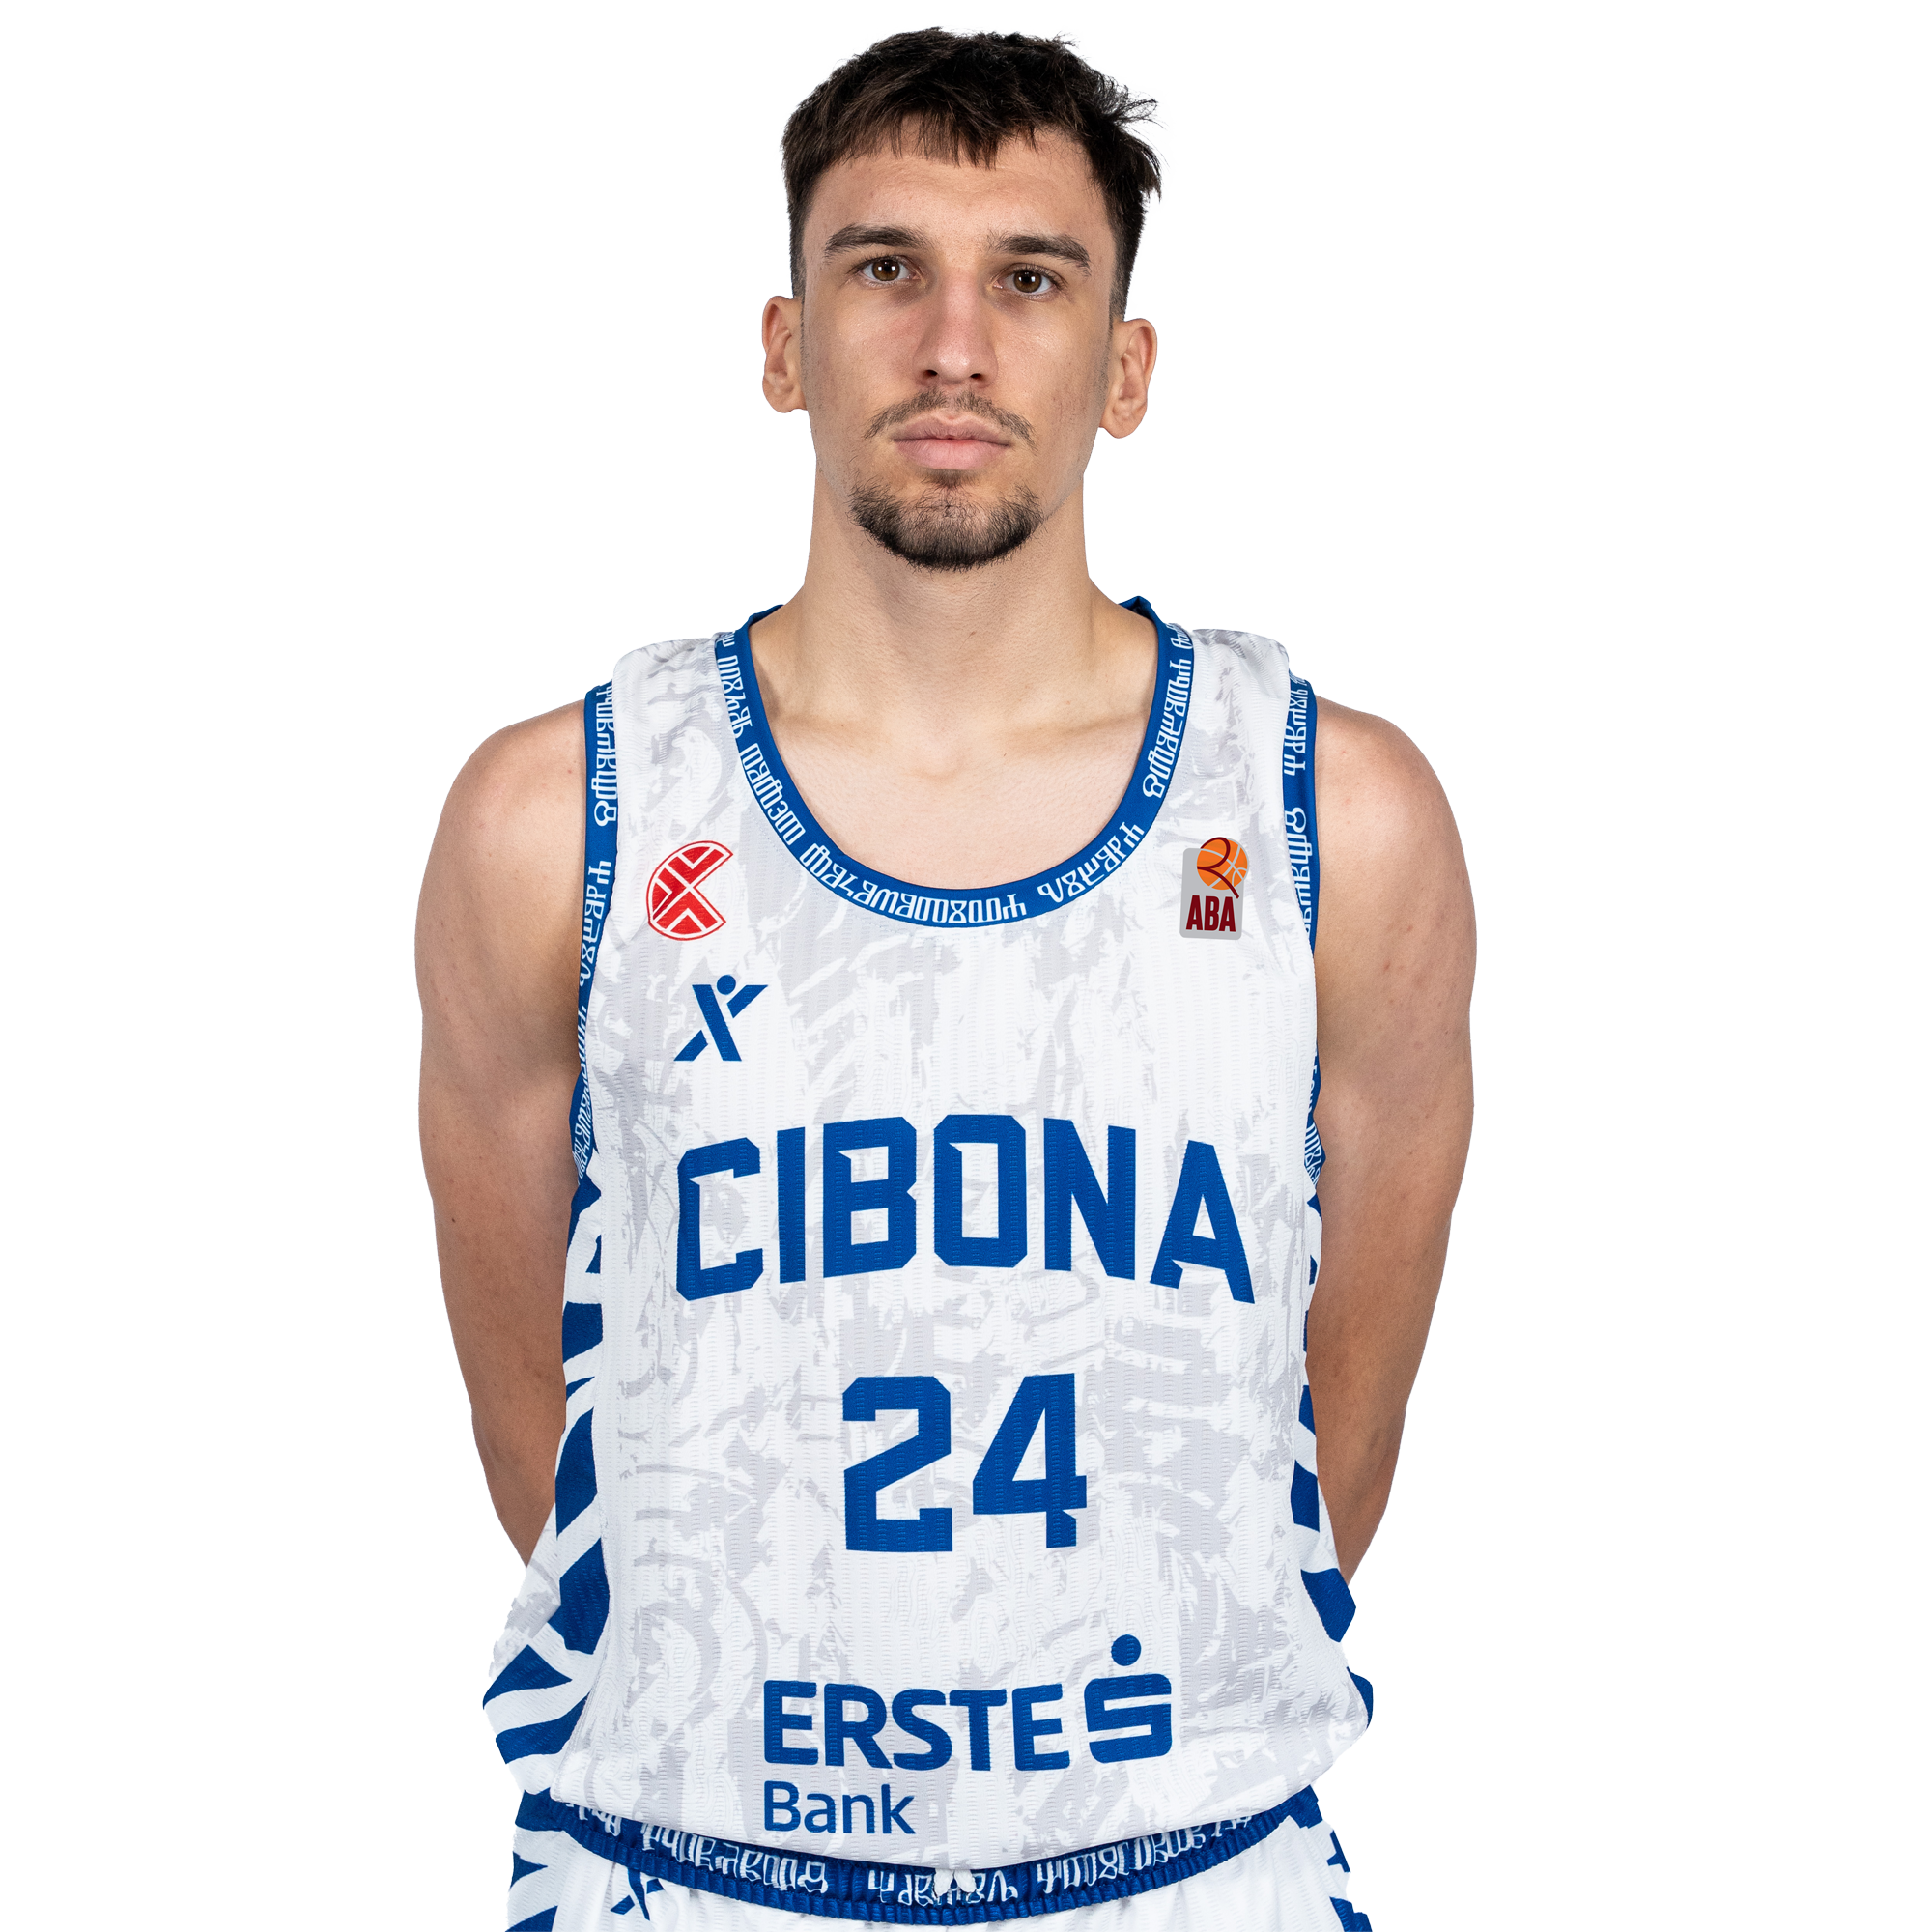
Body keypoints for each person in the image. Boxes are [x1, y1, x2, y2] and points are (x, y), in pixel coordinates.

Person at [417, 26, 1473, 1931]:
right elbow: (548, 1447)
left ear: (1125, 367)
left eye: (1033, 280)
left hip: (1184, 1865)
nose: (955, 346)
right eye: (886, 267)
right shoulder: (554, 823)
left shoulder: (1334, 817)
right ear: (784, 344)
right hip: (694, 1867)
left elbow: (1332, 1449)